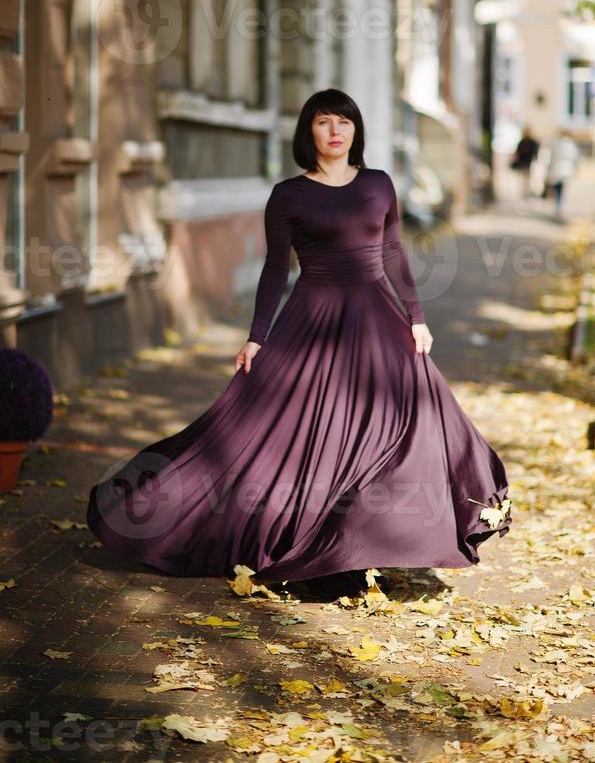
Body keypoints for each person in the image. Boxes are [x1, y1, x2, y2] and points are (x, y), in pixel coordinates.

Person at [86, 89, 512, 601]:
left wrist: (417, 318)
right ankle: (319, 543)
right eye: (324, 123)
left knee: (403, 419)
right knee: (302, 429)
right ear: (308, 132)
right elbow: (274, 270)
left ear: (356, 131)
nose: (335, 131)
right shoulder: (289, 195)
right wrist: (256, 337)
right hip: (313, 317)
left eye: (344, 123)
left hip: (379, 317)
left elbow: (394, 252)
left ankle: (364, 539)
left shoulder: (379, 184)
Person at [545, 130, 579, 221]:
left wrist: (549, 170)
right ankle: (559, 209)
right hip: (567, 170)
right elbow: (575, 159)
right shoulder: (572, 145)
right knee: (561, 190)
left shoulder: (556, 144)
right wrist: (576, 169)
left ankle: (557, 209)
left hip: (556, 170)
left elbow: (551, 158)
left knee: (556, 190)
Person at [510, 127, 539, 197]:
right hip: (527, 162)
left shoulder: (523, 142)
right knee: (526, 178)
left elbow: (518, 153)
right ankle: (526, 191)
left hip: (525, 162)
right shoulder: (529, 142)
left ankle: (526, 191)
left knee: (525, 178)